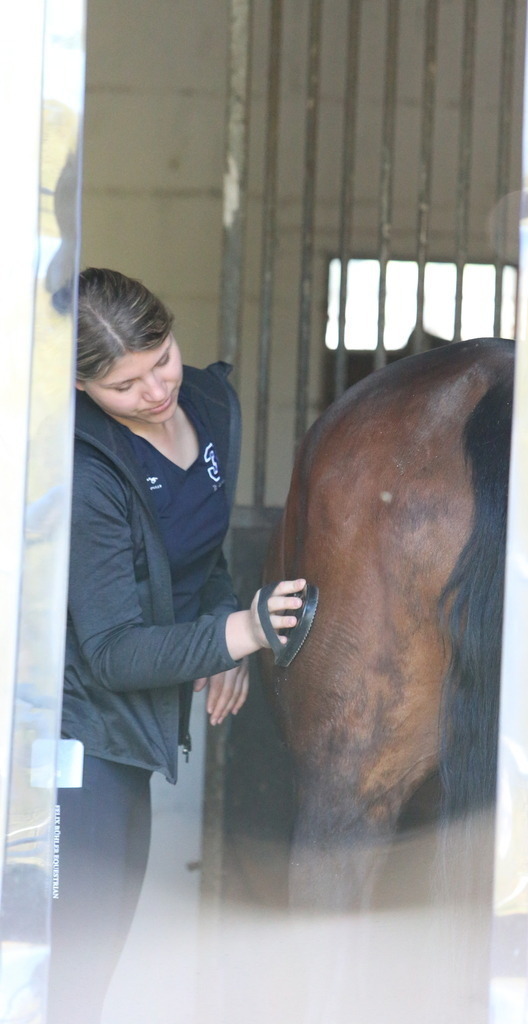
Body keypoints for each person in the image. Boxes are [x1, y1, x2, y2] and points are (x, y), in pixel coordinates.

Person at [47, 267, 305, 1024]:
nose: (156, 391)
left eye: (160, 358)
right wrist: (245, 632)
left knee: (93, 966)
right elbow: (115, 652)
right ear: (83, 388)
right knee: (69, 968)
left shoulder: (211, 402)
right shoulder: (87, 468)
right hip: (75, 727)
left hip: (128, 735)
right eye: (124, 385)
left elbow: (198, 560)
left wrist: (221, 629)